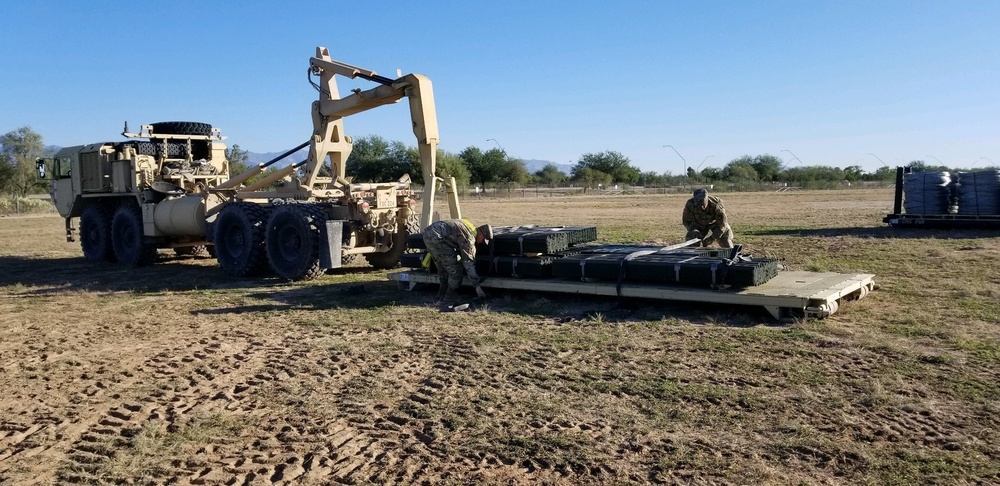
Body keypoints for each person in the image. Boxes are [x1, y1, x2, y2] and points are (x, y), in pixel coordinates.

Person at [422, 219, 493, 305]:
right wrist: (477, 286)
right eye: (483, 240)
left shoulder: (469, 226)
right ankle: (448, 299)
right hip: (438, 239)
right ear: (481, 233)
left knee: (443, 269)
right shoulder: (469, 238)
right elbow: (468, 262)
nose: (482, 242)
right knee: (456, 272)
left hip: (428, 234)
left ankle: (440, 295)